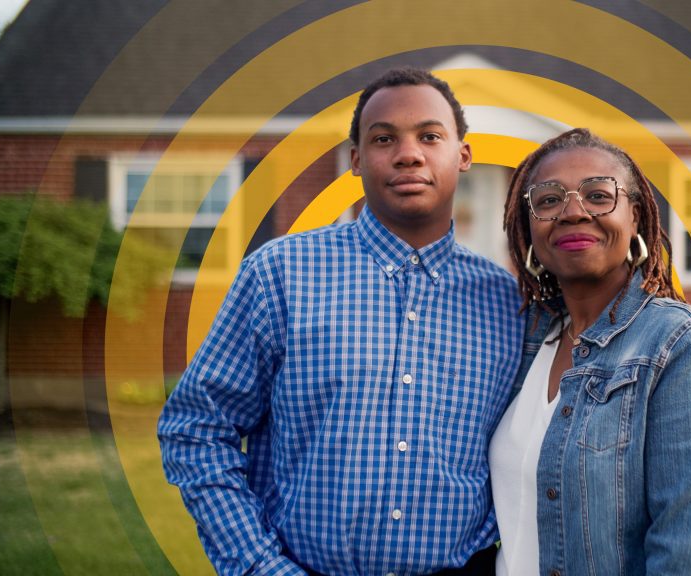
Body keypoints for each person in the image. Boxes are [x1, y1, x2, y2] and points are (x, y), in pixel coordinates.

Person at [158, 68, 524, 576]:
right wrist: (261, 567)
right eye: (383, 138)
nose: (409, 153)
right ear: (355, 160)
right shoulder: (281, 274)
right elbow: (197, 428)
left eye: (430, 136)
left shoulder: (509, 305)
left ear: (463, 156)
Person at [489, 128, 691, 575]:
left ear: (635, 214)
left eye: (598, 194)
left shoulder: (683, 344)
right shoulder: (525, 339)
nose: (572, 212)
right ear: (527, 227)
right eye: (548, 200)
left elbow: (689, 556)